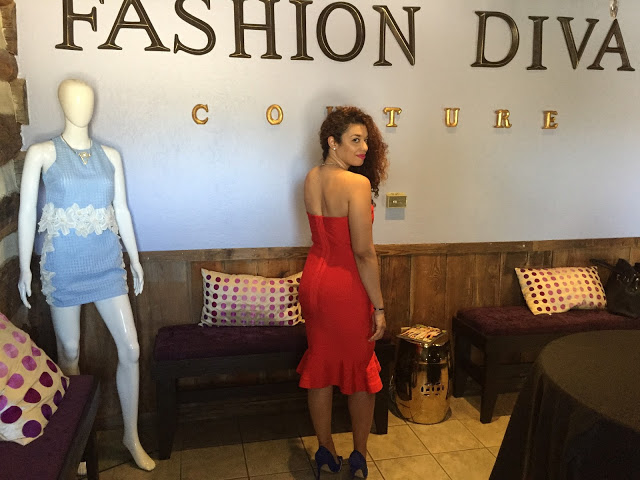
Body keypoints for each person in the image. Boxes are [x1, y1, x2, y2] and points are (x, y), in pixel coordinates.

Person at [17, 79, 155, 471]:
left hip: (107, 263)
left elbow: (121, 209)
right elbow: (27, 211)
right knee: (70, 352)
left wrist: (135, 259)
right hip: (63, 266)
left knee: (131, 349)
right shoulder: (43, 153)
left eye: (87, 99)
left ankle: (131, 436)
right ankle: (77, 444)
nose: (82, 105)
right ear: (62, 103)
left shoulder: (110, 156)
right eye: (74, 99)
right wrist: (24, 266)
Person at [296, 106, 389, 479]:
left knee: (320, 367)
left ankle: (324, 452)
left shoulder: (311, 177)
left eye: (365, 139)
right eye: (355, 139)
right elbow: (364, 253)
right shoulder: (356, 184)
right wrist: (379, 307)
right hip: (345, 286)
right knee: (360, 370)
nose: (364, 147)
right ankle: (360, 457)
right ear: (332, 142)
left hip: (313, 281)